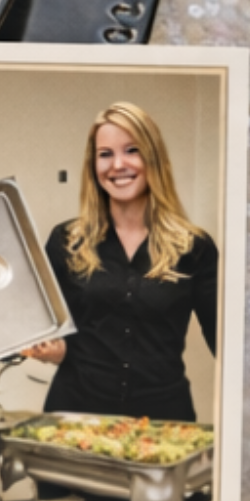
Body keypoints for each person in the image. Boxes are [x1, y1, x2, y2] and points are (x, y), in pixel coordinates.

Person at [24, 102, 218, 421]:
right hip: (75, 417)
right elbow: (40, 329)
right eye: (105, 154)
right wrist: (51, 349)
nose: (118, 164)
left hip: (162, 422)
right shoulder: (66, 241)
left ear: (153, 158)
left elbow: (227, 345)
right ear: (93, 165)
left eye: (132, 150)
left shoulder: (194, 247)